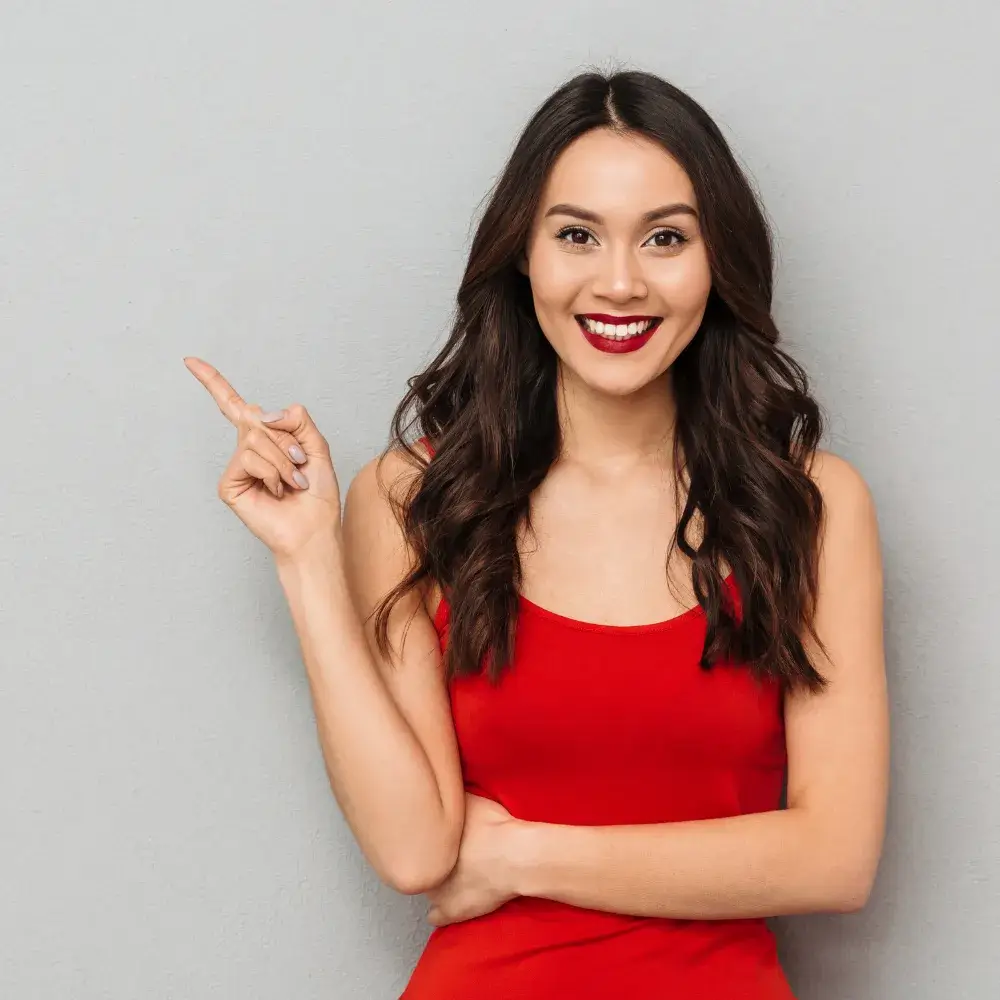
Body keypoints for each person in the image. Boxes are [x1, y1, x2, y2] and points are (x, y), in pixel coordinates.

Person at [185, 68, 888, 999]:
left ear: (718, 262)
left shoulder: (811, 506)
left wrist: (522, 856)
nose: (622, 282)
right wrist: (309, 557)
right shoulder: (411, 497)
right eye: (577, 236)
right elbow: (413, 848)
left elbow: (834, 859)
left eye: (667, 238)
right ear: (524, 253)